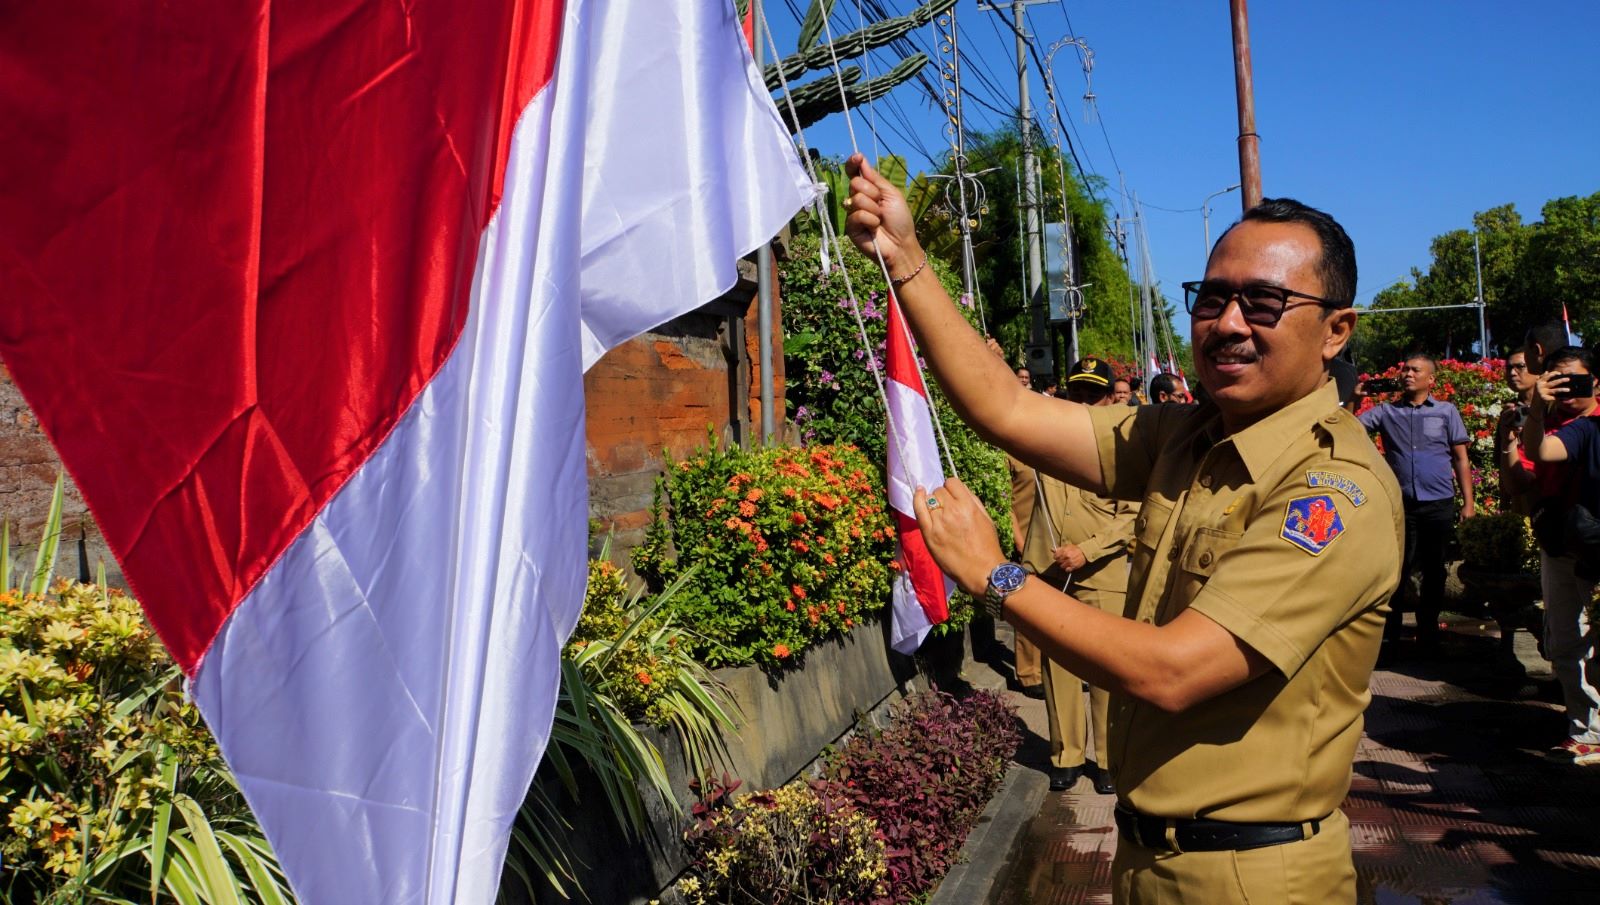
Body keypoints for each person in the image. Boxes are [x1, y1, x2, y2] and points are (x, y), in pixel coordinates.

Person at [842, 153, 1401, 904]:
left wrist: (997, 575)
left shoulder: (1333, 490)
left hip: (1254, 877)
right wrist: (907, 260)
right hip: (1147, 853)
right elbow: (1009, 411)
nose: (1229, 323)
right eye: (1212, 298)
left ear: (1336, 330)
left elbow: (1174, 671)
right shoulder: (1187, 435)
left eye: (1265, 303)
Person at [1020, 357, 1136, 795]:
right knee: (1059, 666)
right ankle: (1065, 755)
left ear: (1109, 397)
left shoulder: (1126, 448)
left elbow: (1132, 517)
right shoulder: (1046, 439)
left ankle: (1108, 760)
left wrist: (1086, 551)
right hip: (1050, 570)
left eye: (1094, 393)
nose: (1085, 400)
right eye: (1078, 391)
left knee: (1107, 668)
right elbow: (1002, 410)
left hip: (1101, 572)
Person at [1355, 355, 1476, 648]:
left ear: (1430, 380)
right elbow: (1350, 429)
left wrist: (1468, 504)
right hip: (1401, 506)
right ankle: (1391, 634)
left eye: (1415, 370)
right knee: (1398, 569)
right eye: (1405, 369)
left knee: (1435, 569)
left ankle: (1429, 632)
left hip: (1439, 503)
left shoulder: (1446, 412)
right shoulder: (1386, 412)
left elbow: (1461, 459)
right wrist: (1355, 400)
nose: (1407, 374)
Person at [1521, 344, 1600, 765]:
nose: (1568, 388)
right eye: (1558, 379)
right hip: (1559, 545)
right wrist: (1537, 408)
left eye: (1577, 379)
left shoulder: (1593, 424)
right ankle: (1585, 729)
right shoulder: (1562, 427)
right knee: (1566, 642)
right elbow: (1536, 454)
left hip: (1594, 550)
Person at [1493, 349, 1540, 515]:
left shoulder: (1553, 408)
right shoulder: (1509, 414)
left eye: (1520, 366)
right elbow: (1502, 460)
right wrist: (1504, 505)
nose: (1512, 373)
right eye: (1508, 368)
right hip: (1520, 500)